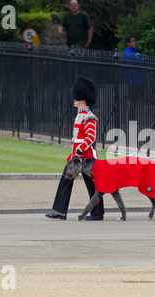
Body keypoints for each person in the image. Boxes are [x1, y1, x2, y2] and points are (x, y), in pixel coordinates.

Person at [45, 76, 104, 221]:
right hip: (77, 156)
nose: (73, 98)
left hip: (85, 156)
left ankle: (97, 213)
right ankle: (60, 211)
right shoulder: (81, 115)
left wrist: (79, 150)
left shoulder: (89, 117)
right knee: (66, 179)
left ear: (82, 98)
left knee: (92, 185)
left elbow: (90, 137)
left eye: (76, 96)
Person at [121, 33, 145, 120]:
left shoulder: (135, 51)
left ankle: (132, 116)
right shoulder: (127, 53)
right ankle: (131, 117)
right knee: (131, 98)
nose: (134, 43)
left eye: (135, 41)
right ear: (127, 43)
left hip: (138, 79)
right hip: (132, 79)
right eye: (132, 41)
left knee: (134, 99)